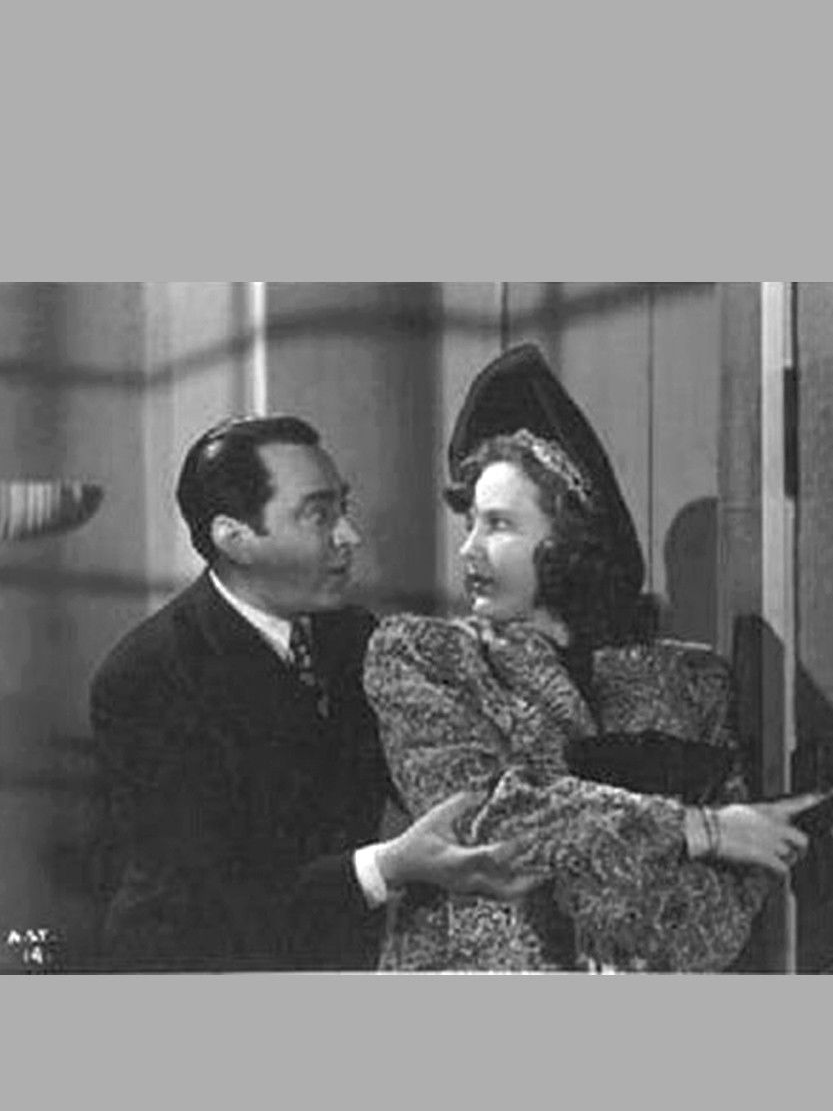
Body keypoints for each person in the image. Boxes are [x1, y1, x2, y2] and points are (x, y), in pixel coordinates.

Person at [363, 344, 827, 972]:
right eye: (469, 522)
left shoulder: (691, 680)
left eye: (498, 525)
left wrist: (634, 930)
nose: (470, 549)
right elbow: (490, 818)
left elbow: (738, 885)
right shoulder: (423, 655)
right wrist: (703, 829)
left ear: (567, 540)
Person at [90, 414, 536, 972]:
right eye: (319, 514)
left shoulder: (356, 636)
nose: (350, 535)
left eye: (343, 508)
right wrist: (388, 867)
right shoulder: (146, 677)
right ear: (234, 538)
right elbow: (209, 898)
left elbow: (433, 777)